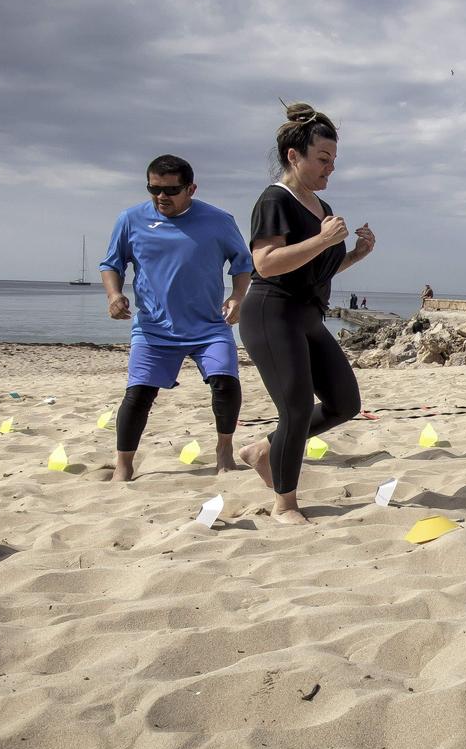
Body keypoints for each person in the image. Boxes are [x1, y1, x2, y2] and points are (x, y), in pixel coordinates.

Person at [237, 103, 376, 525]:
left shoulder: (319, 203)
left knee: (345, 403)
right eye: (323, 159)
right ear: (294, 156)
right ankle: (285, 504)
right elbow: (266, 263)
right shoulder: (274, 200)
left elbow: (317, 268)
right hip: (272, 313)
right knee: (296, 408)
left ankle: (263, 450)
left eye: (333, 160)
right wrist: (321, 240)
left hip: (309, 315)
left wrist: (354, 254)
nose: (329, 168)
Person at [97, 154, 253, 482]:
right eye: (153, 189)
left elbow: (243, 264)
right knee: (138, 394)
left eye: (170, 190)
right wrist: (114, 295)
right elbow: (112, 264)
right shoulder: (130, 219)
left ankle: (224, 450)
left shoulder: (219, 220)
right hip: (154, 327)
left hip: (209, 325)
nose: (161, 197)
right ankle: (123, 464)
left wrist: (237, 297)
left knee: (225, 382)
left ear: (191, 188)